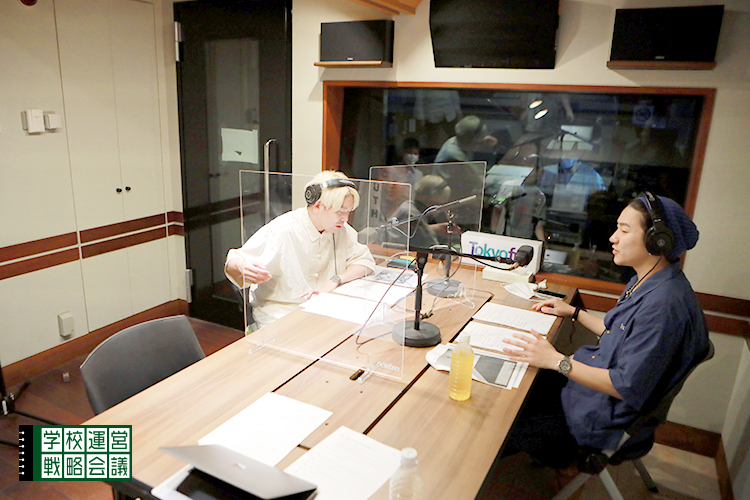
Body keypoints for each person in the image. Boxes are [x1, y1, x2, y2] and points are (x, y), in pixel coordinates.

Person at [496, 193, 709, 472]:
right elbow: (617, 332)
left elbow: (624, 385)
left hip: (594, 419)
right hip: (588, 391)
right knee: (516, 379)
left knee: (500, 418)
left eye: (624, 230)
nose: (613, 238)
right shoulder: (648, 280)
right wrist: (573, 312)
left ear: (656, 240)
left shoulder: (663, 306)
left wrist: (555, 360)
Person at [225, 171, 376, 329]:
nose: (345, 218)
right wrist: (241, 266)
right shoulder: (283, 230)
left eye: (348, 212)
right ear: (317, 206)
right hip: (281, 315)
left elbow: (364, 261)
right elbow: (235, 260)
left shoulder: (341, 230)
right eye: (340, 212)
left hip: (324, 309)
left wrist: (334, 281)